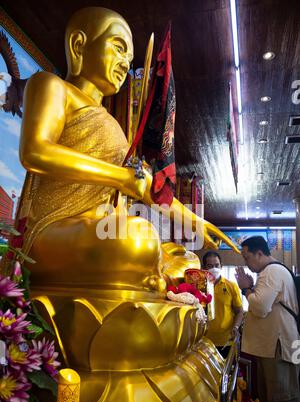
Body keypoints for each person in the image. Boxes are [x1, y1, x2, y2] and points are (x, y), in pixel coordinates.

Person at [14, 7, 239, 291]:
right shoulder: (52, 86)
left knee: (186, 259)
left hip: (98, 233)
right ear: (79, 45)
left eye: (129, 58)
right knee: (141, 237)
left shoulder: (114, 126)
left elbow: (149, 188)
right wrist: (119, 177)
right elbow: (35, 152)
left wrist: (198, 223)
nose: (124, 63)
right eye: (118, 48)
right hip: (55, 231)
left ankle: (148, 276)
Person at [235, 236, 300, 402]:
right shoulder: (269, 273)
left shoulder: (272, 271)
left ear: (259, 254)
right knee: (274, 401)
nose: (246, 263)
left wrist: (245, 289)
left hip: (279, 347)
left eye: (247, 258)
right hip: (274, 347)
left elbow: (261, 307)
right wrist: (252, 288)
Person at [202, 251, 244, 357]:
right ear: (204, 268)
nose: (214, 268)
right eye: (210, 266)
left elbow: (239, 311)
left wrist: (235, 327)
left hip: (226, 341)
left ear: (221, 266)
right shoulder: (199, 286)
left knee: (227, 372)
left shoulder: (231, 286)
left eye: (216, 265)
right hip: (203, 341)